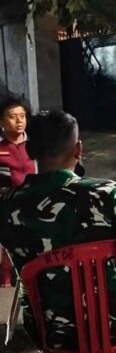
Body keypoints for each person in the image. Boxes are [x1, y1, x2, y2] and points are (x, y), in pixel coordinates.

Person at [0, 110, 116, 353]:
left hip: (52, 333)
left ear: (30, 151)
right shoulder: (106, 194)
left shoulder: (7, 206)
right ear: (78, 149)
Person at [0, 97, 36, 286]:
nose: (19, 121)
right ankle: (6, 284)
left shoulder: (36, 145)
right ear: (2, 122)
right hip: (7, 205)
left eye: (22, 116)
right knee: (8, 247)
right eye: (13, 116)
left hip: (35, 202)